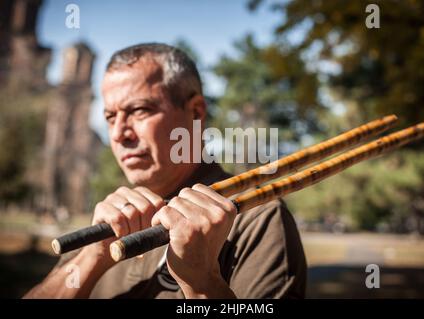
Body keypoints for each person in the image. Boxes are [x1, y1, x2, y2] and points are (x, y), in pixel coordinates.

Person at [24, 43, 307, 299]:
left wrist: (202, 283)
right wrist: (92, 257)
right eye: (110, 117)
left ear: (195, 112)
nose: (119, 134)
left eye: (139, 110)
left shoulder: (256, 216)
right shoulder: (115, 216)